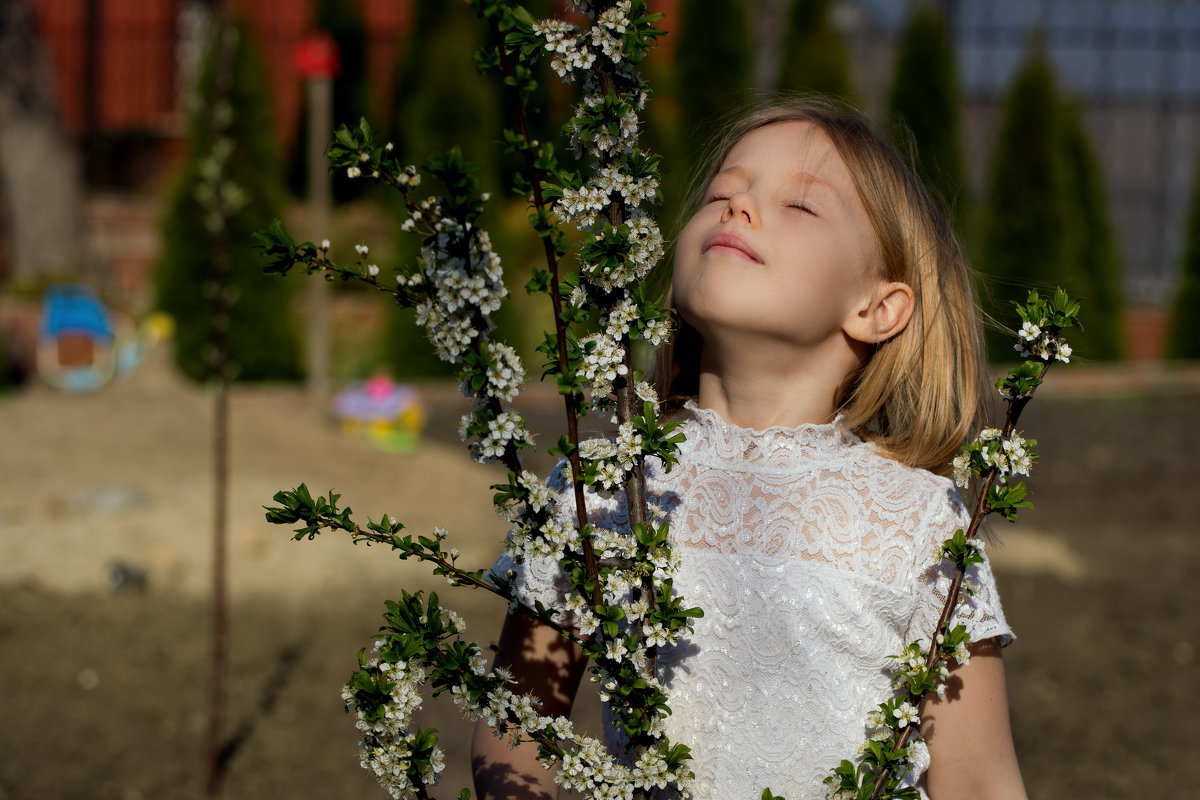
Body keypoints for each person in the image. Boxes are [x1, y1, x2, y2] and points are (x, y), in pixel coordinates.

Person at [471, 97, 1028, 800]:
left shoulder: (920, 519)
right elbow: (518, 729)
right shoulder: (600, 488)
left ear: (877, 308)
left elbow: (977, 778)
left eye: (799, 205)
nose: (738, 208)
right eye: (720, 193)